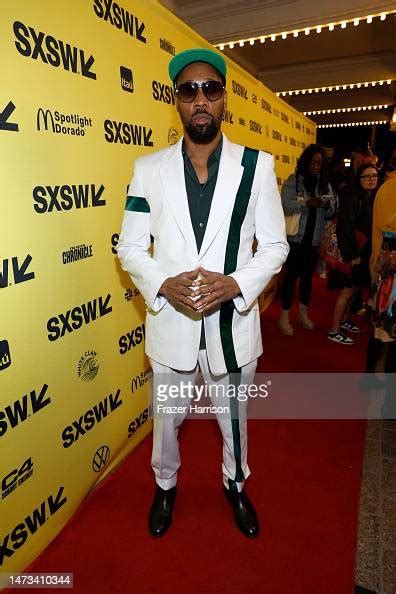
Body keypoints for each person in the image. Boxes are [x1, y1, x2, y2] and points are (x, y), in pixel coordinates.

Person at [117, 48, 289, 538]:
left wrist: (236, 284)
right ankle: (165, 485)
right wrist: (161, 285)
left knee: (234, 419)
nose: (200, 99)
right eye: (189, 90)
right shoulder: (147, 170)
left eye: (210, 89)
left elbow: (275, 245)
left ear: (224, 101)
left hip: (233, 325)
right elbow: (129, 247)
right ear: (176, 101)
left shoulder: (257, 167)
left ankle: (236, 484)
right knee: (167, 422)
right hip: (171, 326)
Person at [278, 144, 335, 335]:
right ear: (305, 162)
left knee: (307, 280)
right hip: (295, 239)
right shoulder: (293, 181)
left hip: (313, 240)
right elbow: (285, 205)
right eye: (313, 162)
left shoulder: (324, 184)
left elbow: (332, 210)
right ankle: (284, 317)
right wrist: (306, 203)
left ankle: (303, 314)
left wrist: (326, 204)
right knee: (290, 279)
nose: (316, 166)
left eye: (319, 163)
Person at [327, 163, 378, 344]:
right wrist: (352, 255)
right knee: (347, 291)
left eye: (374, 175)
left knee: (355, 289)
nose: (372, 179)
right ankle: (334, 330)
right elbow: (345, 226)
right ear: (359, 178)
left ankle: (343, 320)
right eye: (367, 176)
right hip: (354, 252)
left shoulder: (367, 196)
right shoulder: (352, 195)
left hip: (363, 252)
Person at [366, 177, 396, 416]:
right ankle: (389, 403)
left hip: (384, 266)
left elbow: (377, 233)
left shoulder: (386, 188)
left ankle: (368, 378)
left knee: (380, 330)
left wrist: (375, 266)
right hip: (392, 271)